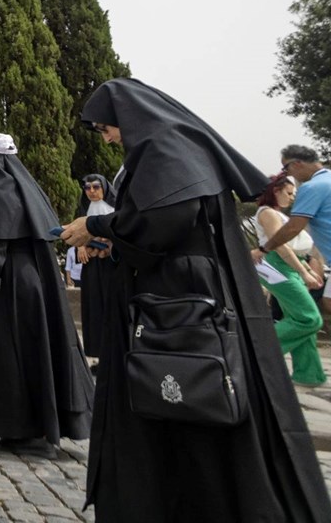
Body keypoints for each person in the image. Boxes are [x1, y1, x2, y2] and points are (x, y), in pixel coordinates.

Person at [60, 78, 331, 521]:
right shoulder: (165, 146)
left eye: (103, 126)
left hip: (184, 304)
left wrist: (99, 228)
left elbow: (163, 221)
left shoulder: (166, 146)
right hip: (180, 296)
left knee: (197, 404)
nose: (104, 135)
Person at [0, 133, 93, 457]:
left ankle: (24, 427)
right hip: (38, 283)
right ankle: (43, 424)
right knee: (38, 353)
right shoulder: (26, 188)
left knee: (12, 355)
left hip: (10, 286)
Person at [251, 174, 326, 386]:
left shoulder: (276, 213)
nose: (292, 198)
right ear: (276, 190)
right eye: (289, 193)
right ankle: (255, 354)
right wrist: (303, 272)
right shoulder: (267, 213)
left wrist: (304, 268)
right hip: (276, 264)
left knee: (301, 319)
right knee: (309, 318)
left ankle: (308, 375)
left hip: (287, 265)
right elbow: (281, 246)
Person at [253, 144, 330, 314]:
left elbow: (293, 228)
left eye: (286, 168)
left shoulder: (312, 187)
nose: (288, 174)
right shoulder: (328, 180)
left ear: (296, 163)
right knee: (318, 310)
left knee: (308, 317)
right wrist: (306, 271)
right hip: (283, 264)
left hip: (283, 261)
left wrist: (263, 249)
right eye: (288, 193)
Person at [75, 174, 115, 360]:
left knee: (111, 307)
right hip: (91, 266)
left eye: (96, 187)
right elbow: (77, 230)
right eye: (87, 187)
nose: (91, 191)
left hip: (111, 265)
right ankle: (97, 353)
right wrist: (81, 246)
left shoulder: (114, 208)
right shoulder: (84, 209)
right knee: (93, 307)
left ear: (104, 188)